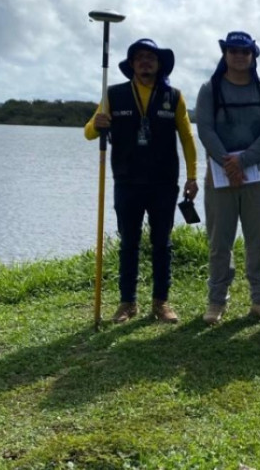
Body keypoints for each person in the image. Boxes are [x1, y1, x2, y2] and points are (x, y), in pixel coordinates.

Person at [84, 38, 199, 324]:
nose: (145, 62)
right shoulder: (114, 94)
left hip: (163, 182)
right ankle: (127, 303)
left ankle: (161, 302)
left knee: (162, 243)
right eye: (140, 58)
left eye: (151, 57)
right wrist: (95, 125)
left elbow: (187, 138)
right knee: (129, 243)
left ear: (159, 64)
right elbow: (88, 132)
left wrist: (193, 176)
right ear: (132, 64)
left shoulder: (174, 96)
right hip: (127, 180)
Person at [194, 31, 260, 324]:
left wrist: (242, 161)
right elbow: (205, 129)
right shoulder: (210, 89)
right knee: (220, 243)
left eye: (245, 51)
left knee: (257, 242)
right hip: (218, 180)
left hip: (257, 178)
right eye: (233, 50)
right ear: (225, 54)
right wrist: (227, 163)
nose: (239, 56)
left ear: (253, 55)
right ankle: (216, 303)